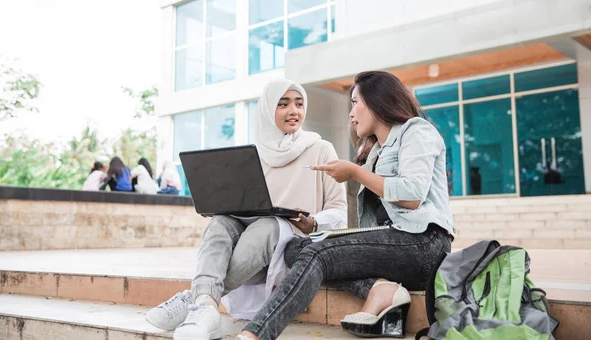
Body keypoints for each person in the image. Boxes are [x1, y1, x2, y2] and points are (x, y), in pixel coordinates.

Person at [233, 71, 454, 340]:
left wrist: (354, 172)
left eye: (355, 102)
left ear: (377, 101)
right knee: (295, 248)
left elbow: (412, 195)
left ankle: (256, 333)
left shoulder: (416, 130)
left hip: (424, 244)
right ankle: (379, 288)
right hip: (394, 243)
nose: (351, 113)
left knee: (319, 253)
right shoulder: (375, 152)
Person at [145, 78, 347, 340]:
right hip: (249, 251)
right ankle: (205, 306)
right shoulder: (255, 153)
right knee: (219, 221)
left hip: (290, 245)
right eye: (283, 104)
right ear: (267, 109)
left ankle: (193, 299)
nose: (293, 111)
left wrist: (314, 222)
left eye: (299, 103)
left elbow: (339, 210)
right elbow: (246, 204)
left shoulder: (320, 149)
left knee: (267, 225)